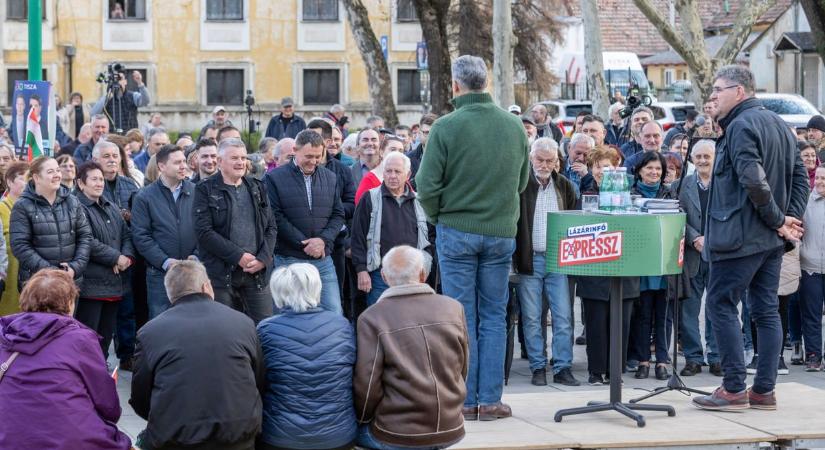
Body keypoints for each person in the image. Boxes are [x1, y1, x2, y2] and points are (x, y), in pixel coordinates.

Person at [416, 55, 529, 420]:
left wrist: (438, 217)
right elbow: (522, 182)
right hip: (500, 232)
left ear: (455, 86)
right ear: (486, 82)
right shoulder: (514, 126)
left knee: (459, 317)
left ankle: (464, 400)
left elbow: (426, 185)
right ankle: (491, 400)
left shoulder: (446, 127)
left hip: (458, 230)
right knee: (495, 317)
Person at [693, 65, 809, 411]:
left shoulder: (742, 125)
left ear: (739, 91)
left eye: (718, 90)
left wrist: (779, 219)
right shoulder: (778, 123)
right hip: (768, 241)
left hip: (740, 237)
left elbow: (753, 180)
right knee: (766, 312)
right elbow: (799, 175)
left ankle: (732, 388)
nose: (713, 96)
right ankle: (763, 391)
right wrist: (787, 218)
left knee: (720, 304)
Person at [130, 260, 263, 450]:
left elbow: (140, 398)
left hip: (176, 438)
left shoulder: (150, 332)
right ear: (206, 286)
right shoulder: (243, 323)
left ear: (170, 294)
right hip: (238, 436)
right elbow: (259, 381)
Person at [0, 269, 132, 449]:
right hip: (70, 441)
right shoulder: (80, 340)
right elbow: (109, 407)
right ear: (69, 303)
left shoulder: (4, 334)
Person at [354, 246, 468, 448]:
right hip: (451, 425)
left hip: (397, 431)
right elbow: (462, 367)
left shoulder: (372, 317)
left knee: (349, 433)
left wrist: (362, 419)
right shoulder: (453, 308)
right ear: (423, 274)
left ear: (384, 277)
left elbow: (368, 385)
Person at [257, 263, 357, 450]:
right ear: (317, 288)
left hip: (281, 437)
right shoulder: (341, 325)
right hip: (338, 436)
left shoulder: (265, 329)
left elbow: (258, 382)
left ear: (278, 292)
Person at [513, 138, 579, 386]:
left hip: (558, 260)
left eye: (549, 160)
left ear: (557, 162)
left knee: (563, 317)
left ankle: (563, 367)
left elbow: (573, 222)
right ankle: (538, 367)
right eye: (539, 159)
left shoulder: (565, 187)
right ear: (531, 158)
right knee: (531, 318)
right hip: (530, 260)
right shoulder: (520, 186)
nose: (544, 164)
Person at [194, 138, 277, 323]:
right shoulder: (204, 189)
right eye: (234, 158)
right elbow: (203, 232)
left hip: (256, 273)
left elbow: (271, 227)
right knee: (224, 330)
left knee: (264, 329)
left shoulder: (257, 187)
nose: (240, 162)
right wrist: (238, 256)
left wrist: (263, 259)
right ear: (220, 161)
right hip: (222, 275)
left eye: (243, 157)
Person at [266, 130, 345, 314]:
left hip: (322, 259)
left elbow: (338, 214)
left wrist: (322, 241)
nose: (314, 161)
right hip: (288, 260)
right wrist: (304, 244)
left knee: (334, 312)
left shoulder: (330, 178)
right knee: (288, 314)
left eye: (318, 156)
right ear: (295, 150)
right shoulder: (274, 178)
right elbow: (275, 216)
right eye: (308, 156)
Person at [351, 152, 432, 305]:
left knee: (409, 321)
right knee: (382, 322)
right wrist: (361, 270)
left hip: (412, 275)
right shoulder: (370, 198)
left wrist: (425, 267)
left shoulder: (419, 201)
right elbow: (358, 236)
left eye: (397, 171)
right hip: (380, 275)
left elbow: (430, 239)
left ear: (407, 174)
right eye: (388, 171)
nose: (392, 176)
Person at [669, 140, 721, 377]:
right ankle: (693, 358)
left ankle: (718, 356)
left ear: (715, 157)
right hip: (691, 255)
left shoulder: (725, 184)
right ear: (691, 159)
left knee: (717, 308)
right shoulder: (682, 185)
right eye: (697, 156)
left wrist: (710, 239)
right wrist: (695, 238)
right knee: (688, 309)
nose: (701, 160)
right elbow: (678, 215)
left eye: (706, 156)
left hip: (719, 254)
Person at [73, 161, 134, 359]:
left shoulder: (110, 206)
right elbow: (86, 241)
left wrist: (126, 259)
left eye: (101, 179)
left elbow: (126, 235)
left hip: (114, 284)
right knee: (88, 337)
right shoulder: (76, 206)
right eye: (94, 179)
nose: (99, 183)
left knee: (105, 338)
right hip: (91, 285)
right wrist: (115, 257)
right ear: (81, 184)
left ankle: (100, 372)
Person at [131, 145, 198, 319]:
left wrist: (196, 256)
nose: (184, 166)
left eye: (184, 161)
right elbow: (141, 236)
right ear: (161, 166)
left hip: (193, 270)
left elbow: (204, 229)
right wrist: (166, 262)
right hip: (160, 274)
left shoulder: (196, 192)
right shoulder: (145, 197)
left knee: (194, 321)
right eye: (177, 162)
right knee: (162, 321)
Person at [10, 157, 92, 287]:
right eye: (50, 172)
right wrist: (52, 272)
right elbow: (20, 245)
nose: (57, 175)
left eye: (58, 170)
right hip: (38, 284)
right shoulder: (22, 206)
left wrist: (75, 267)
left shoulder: (72, 201)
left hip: (70, 281)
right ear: (36, 178)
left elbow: (85, 236)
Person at [628, 152, 673, 380]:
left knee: (663, 316)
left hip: (664, 263)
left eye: (658, 169)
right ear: (639, 170)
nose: (654, 173)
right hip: (642, 262)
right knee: (643, 315)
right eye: (649, 168)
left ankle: (662, 361)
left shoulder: (670, 193)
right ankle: (643, 360)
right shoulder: (631, 194)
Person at [799, 164, 825, 370]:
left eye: (824, 179)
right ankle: (814, 355)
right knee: (811, 314)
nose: (820, 182)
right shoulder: (806, 201)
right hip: (810, 266)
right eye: (818, 178)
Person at [0, 163, 27, 316]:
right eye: (23, 178)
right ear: (9, 182)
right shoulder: (1, 209)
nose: (27, 182)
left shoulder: (32, 209)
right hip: (7, 280)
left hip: (26, 281)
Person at [406, 113, 437, 186]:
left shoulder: (448, 158)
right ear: (419, 133)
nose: (430, 136)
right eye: (426, 133)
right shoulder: (407, 158)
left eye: (434, 132)